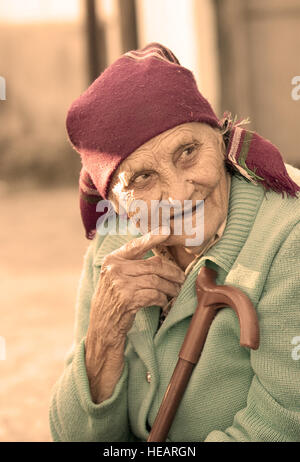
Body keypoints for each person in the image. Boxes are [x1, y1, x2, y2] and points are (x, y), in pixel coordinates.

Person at [49, 43, 300, 442]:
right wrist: (103, 338)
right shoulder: (113, 245)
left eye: (188, 151)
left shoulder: (289, 236)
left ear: (219, 140)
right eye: (143, 178)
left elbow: (280, 427)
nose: (180, 193)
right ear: (113, 200)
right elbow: (71, 435)